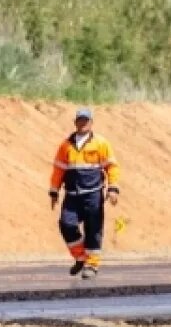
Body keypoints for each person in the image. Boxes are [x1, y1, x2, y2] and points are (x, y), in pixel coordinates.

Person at [48, 107, 120, 279]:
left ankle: (92, 265)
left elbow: (111, 166)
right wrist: (54, 191)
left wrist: (113, 188)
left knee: (93, 229)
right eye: (79, 120)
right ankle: (80, 257)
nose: (82, 123)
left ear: (91, 123)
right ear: (75, 122)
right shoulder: (65, 145)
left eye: (85, 120)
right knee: (67, 224)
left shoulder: (100, 143)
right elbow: (59, 170)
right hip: (72, 195)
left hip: (93, 194)